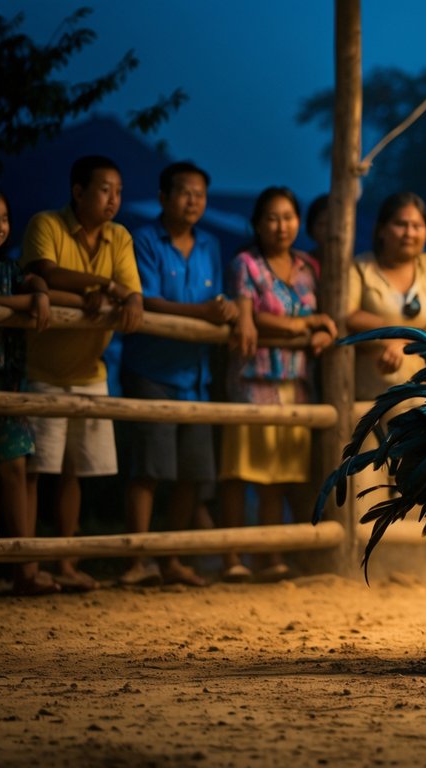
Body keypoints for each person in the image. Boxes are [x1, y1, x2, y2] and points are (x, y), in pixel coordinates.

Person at [20, 155, 144, 592]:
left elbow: (132, 292)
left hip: (92, 368)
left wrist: (122, 297)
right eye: (105, 189)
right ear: (78, 191)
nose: (114, 199)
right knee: (36, 470)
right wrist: (102, 287)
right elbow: (44, 273)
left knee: (75, 471)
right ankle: (28, 568)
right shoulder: (47, 224)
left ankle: (67, 563)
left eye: (119, 191)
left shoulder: (119, 237)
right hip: (44, 367)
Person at [118, 162, 240, 588]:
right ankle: (138, 559)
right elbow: (146, 301)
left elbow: (214, 301)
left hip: (196, 375)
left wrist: (225, 309)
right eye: (185, 193)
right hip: (150, 369)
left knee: (193, 471)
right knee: (149, 469)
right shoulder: (146, 240)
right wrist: (206, 311)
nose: (193, 201)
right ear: (164, 197)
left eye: (200, 195)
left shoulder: (209, 244)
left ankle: (170, 560)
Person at [219, 187, 336, 583]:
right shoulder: (245, 264)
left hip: (296, 382)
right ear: (256, 224)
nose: (281, 225)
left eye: (288, 217)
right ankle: (232, 555)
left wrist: (321, 332)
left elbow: (323, 317)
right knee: (241, 472)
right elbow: (248, 316)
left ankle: (270, 556)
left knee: (280, 475)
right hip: (254, 380)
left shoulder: (308, 268)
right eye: (272, 217)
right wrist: (301, 325)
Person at [0, 187, 61, 594]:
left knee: (15, 467)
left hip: (6, 384)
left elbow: (33, 278)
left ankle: (24, 569)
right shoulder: (6, 282)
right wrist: (22, 302)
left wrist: (40, 291)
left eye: (2, 217)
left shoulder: (9, 271)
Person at [346, 191, 426, 401]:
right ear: (381, 230)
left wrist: (413, 340)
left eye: (417, 226)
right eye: (401, 224)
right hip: (373, 400)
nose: (409, 233)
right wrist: (393, 334)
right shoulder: (361, 267)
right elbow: (349, 314)